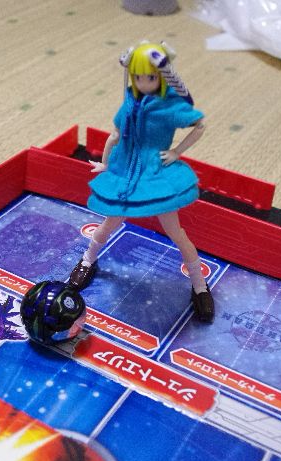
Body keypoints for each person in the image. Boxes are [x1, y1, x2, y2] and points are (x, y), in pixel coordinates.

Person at [68, 41, 214, 322]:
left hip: (155, 177)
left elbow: (200, 125)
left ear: (161, 76)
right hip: (126, 175)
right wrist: (106, 164)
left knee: (176, 232)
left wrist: (176, 152)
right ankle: (87, 259)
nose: (143, 83)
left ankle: (199, 284)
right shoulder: (129, 102)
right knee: (108, 223)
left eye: (150, 77)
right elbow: (114, 135)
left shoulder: (168, 106)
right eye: (137, 77)